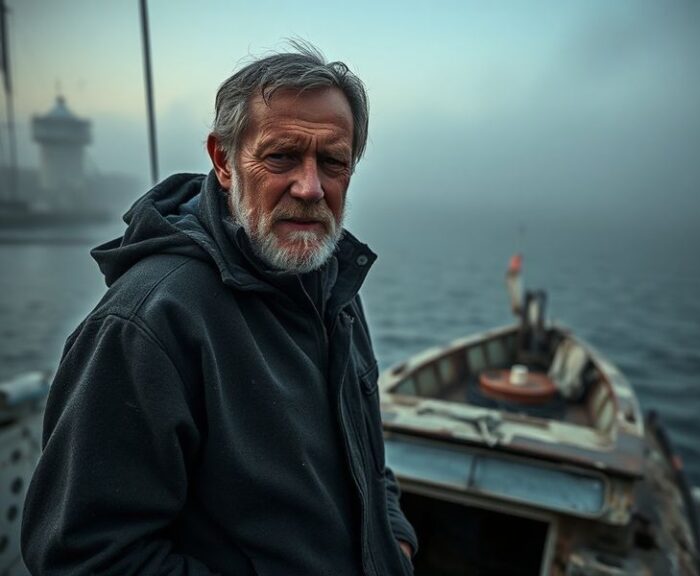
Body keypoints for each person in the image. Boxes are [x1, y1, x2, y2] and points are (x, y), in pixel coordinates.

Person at [21, 42, 417, 576]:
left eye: (333, 162)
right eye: (281, 156)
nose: (310, 187)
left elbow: (364, 450)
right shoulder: (149, 323)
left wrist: (394, 540)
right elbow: (86, 556)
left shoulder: (331, 283)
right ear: (224, 161)